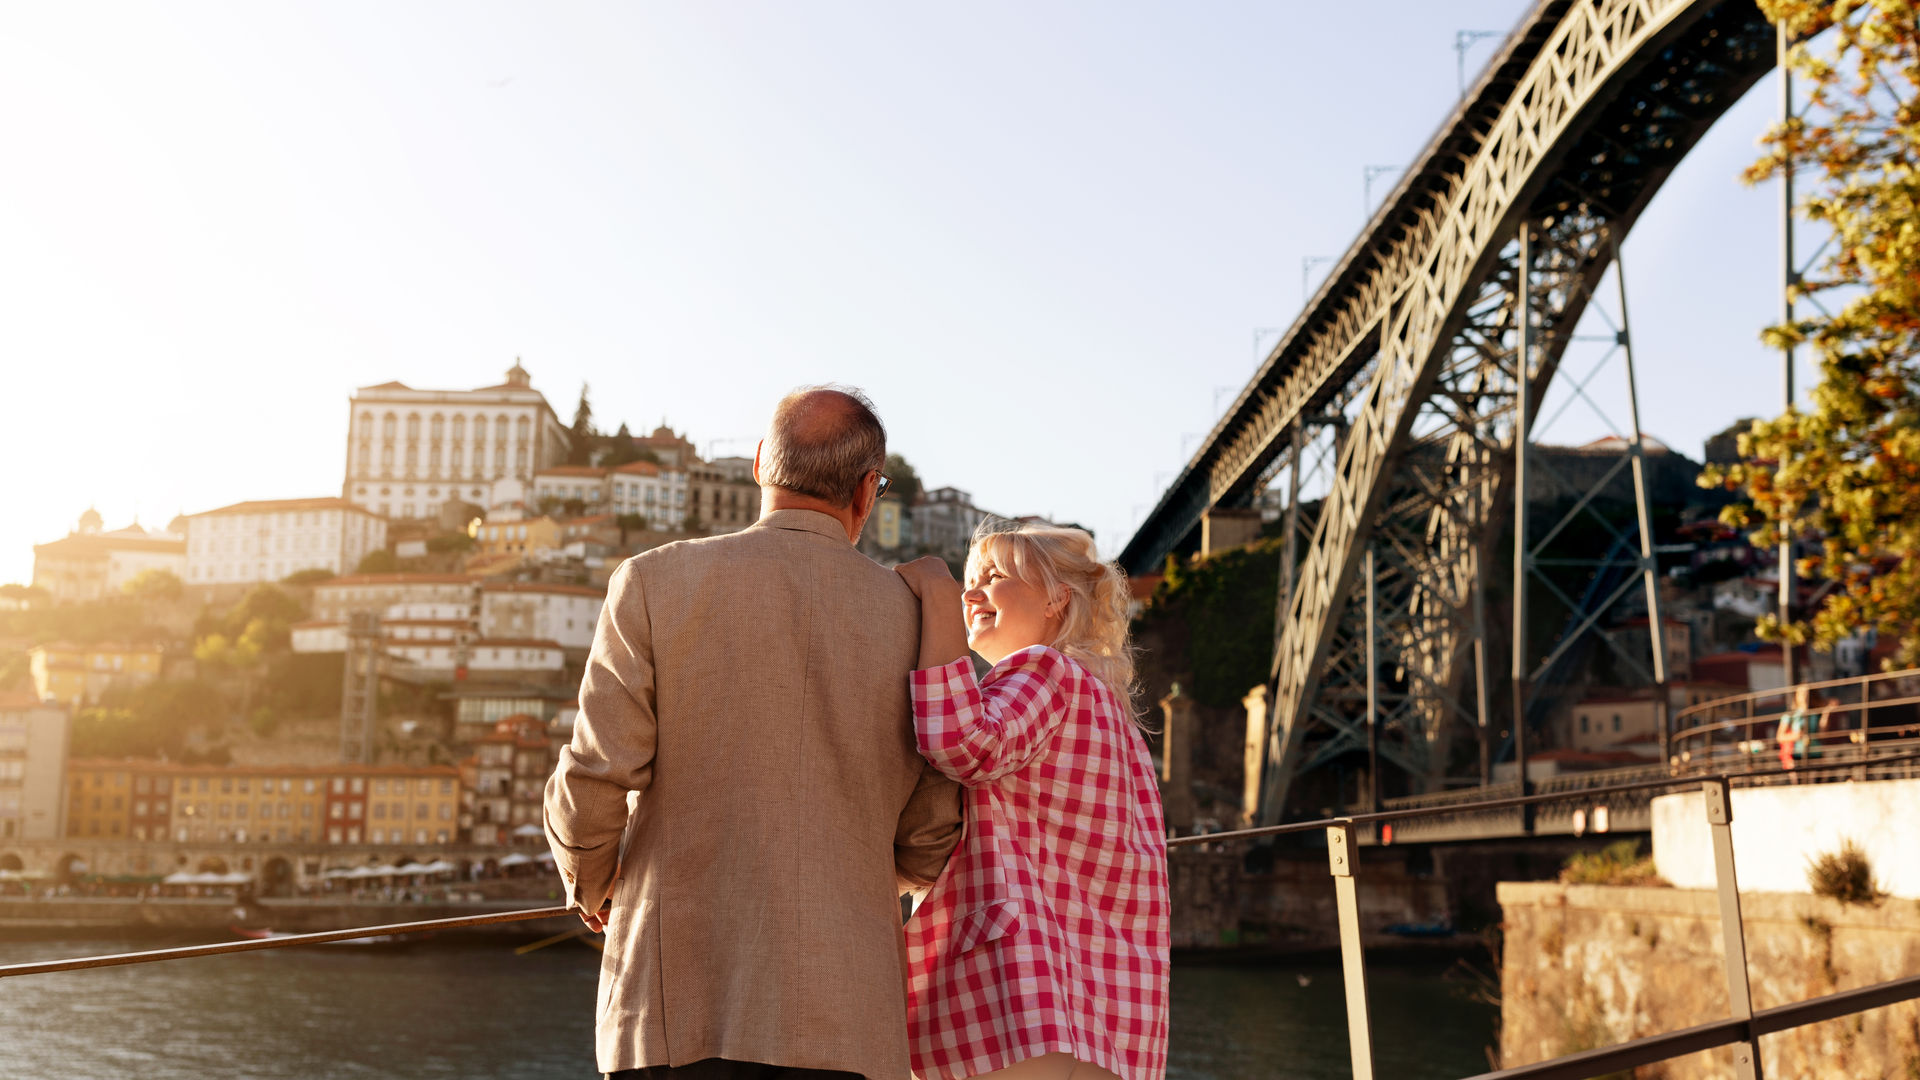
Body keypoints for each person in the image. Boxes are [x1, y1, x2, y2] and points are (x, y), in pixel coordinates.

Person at [546, 385, 964, 1080]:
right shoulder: (917, 622)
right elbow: (928, 845)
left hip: (671, 1010)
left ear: (761, 463)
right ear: (867, 492)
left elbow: (595, 775)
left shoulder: (651, 582)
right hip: (847, 1023)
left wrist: (590, 883)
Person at [895, 521, 1170, 1080]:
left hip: (1020, 991)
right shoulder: (1112, 715)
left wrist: (938, 602)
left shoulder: (1043, 668)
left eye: (992, 578)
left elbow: (963, 742)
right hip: (1108, 1010)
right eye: (968, 580)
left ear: (1055, 599)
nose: (971, 592)